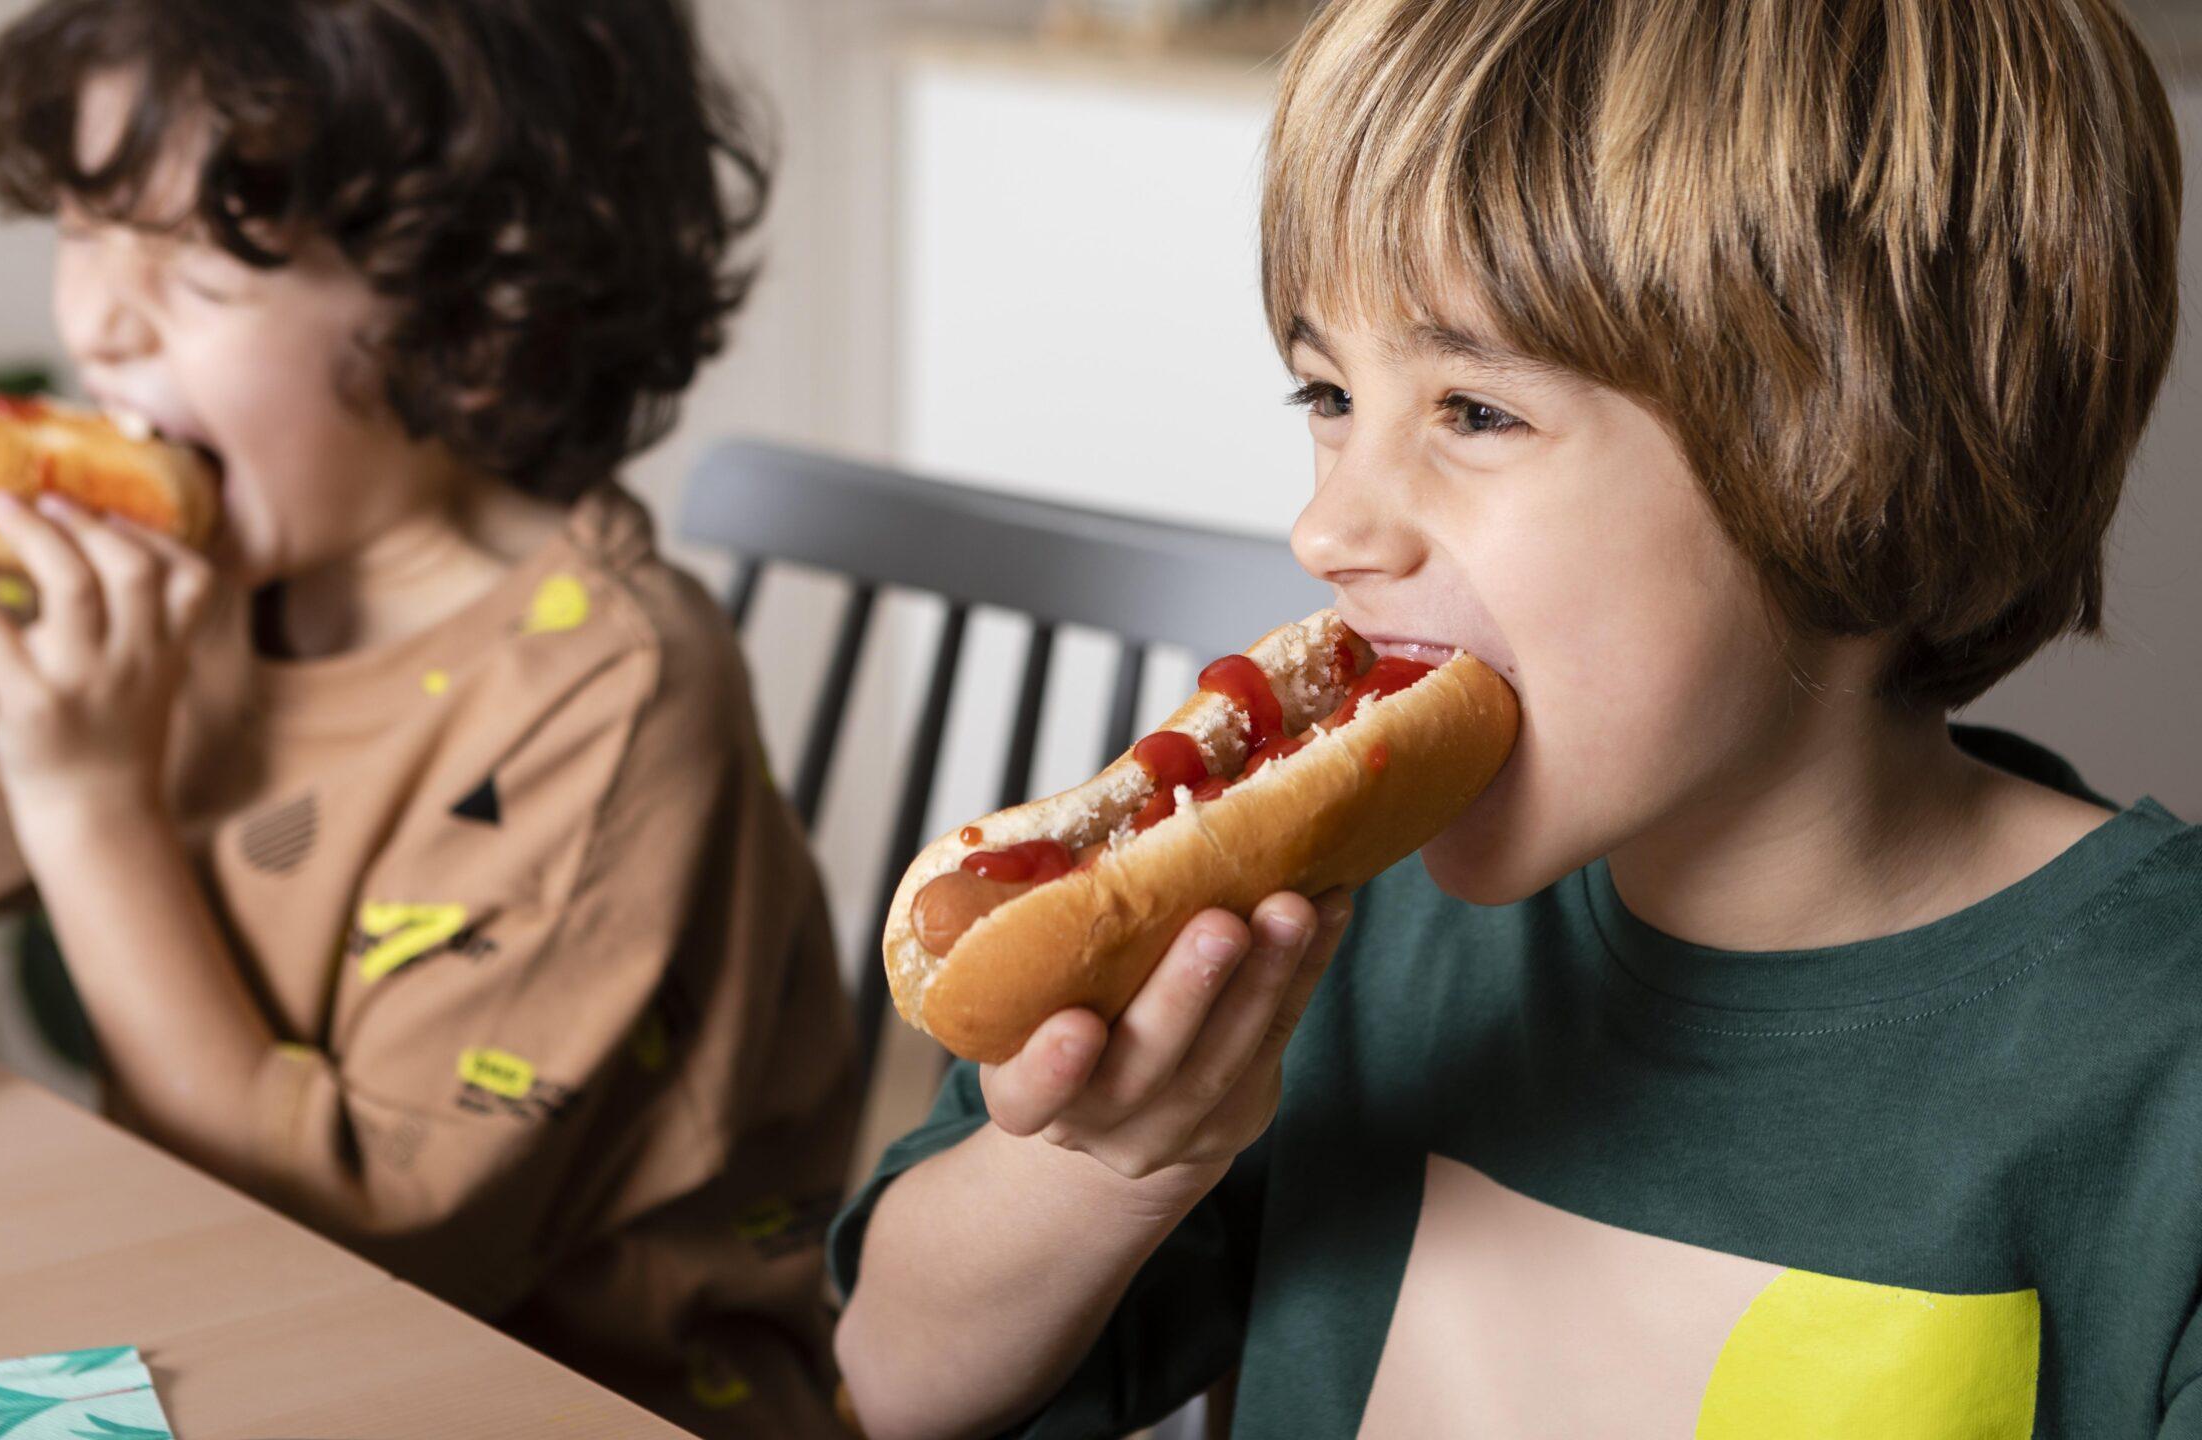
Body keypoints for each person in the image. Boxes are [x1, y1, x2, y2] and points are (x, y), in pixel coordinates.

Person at [829, 0, 2201, 1434]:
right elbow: (889, 1381)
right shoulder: (1327, 937)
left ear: (1866, 442)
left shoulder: (2162, 1065)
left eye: (1475, 412)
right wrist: (1110, 1166)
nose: (1326, 526)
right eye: (1328, 393)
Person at [0, 2, 854, 1433]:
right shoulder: (161, 579)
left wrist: (90, 801)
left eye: (198, 265)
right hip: (223, 1349)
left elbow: (367, 1251)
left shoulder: (608, 694)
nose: (94, 317)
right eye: (86, 228)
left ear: (476, 301)